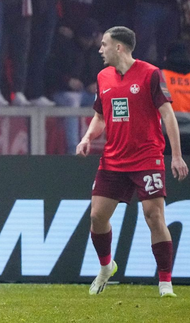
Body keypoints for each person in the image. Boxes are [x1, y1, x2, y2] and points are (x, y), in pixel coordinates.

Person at [76, 26, 188, 298]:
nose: (100, 50)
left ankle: (165, 283)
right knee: (97, 217)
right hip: (113, 158)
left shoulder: (151, 74)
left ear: (119, 47)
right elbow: (101, 117)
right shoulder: (103, 77)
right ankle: (106, 267)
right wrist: (88, 137)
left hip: (147, 157)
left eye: (104, 45)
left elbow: (168, 115)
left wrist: (176, 155)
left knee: (154, 216)